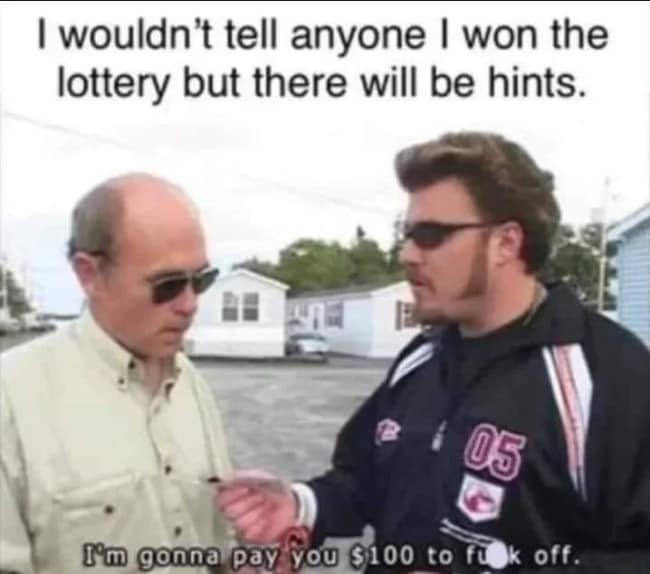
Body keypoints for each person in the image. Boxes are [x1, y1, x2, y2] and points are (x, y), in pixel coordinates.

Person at [216, 132, 650, 573]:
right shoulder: (421, 358)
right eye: (407, 235)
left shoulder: (609, 378)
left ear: (506, 242)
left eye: (430, 235)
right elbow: (360, 482)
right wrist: (299, 506)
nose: (407, 254)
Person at [0, 174, 234, 573]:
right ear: (89, 274)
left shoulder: (191, 383)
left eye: (201, 280)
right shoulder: (12, 399)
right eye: (168, 285)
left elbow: (215, 545)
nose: (189, 304)